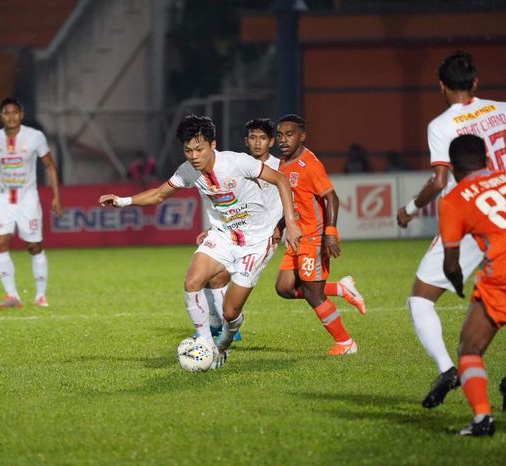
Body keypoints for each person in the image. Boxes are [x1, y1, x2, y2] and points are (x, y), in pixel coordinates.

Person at [99, 115, 302, 368]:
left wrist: (291, 225)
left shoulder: (238, 163)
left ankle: (224, 343)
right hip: (223, 235)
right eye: (188, 150)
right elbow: (160, 194)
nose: (193, 155)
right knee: (192, 280)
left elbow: (281, 180)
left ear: (212, 145)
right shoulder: (188, 171)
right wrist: (122, 201)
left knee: (230, 313)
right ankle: (206, 344)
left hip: (256, 241)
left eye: (199, 149)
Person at [395, 51, 506, 409]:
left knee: (420, 298)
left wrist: (409, 209)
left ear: (441, 87)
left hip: (473, 210)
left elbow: (441, 180)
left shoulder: (442, 125)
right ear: (475, 82)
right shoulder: (501, 109)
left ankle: (447, 369)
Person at [273, 114, 366, 356]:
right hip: (295, 237)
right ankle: (341, 289)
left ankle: (345, 343)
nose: (283, 140)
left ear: (302, 136)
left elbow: (331, 198)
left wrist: (330, 231)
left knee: (313, 294)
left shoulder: (309, 165)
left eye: (289, 134)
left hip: (312, 238)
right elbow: (294, 202)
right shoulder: (283, 162)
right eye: (280, 135)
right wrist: (282, 226)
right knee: (283, 288)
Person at [438, 134, 506, 436]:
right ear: (488, 160)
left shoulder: (452, 200)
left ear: (453, 168)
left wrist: (457, 285)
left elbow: (451, 264)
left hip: (500, 280)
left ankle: (482, 420)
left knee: (470, 347)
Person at [197, 118, 285, 342]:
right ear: (246, 141)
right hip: (237, 234)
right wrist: (213, 229)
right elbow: (235, 206)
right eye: (253, 138)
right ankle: (224, 326)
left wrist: (282, 225)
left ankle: (224, 326)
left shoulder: (279, 167)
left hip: (262, 238)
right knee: (212, 278)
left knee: (218, 279)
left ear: (271, 141)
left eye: (263, 138)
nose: (257, 143)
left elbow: (292, 197)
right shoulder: (239, 164)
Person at [0, 97, 62, 308]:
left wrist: (56, 196)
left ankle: (40, 296)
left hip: (27, 199)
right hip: (3, 198)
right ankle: (12, 296)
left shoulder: (35, 137)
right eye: (6, 112)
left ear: (21, 115)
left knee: (33, 246)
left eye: (15, 112)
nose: (11, 116)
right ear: (1, 116)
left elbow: (49, 166)